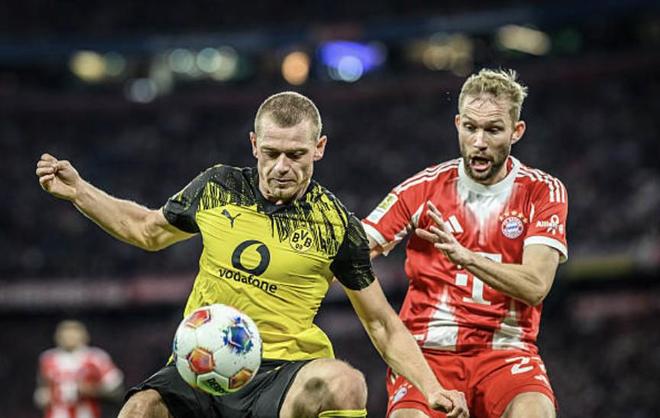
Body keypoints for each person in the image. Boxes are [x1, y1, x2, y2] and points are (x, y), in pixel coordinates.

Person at [36, 92, 468, 418]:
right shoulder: (217, 188)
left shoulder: (336, 226)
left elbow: (381, 323)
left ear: (319, 148)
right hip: (200, 365)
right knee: (140, 408)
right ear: (254, 144)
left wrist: (432, 388)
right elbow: (146, 230)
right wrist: (80, 192)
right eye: (271, 152)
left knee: (345, 382)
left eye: (296, 154)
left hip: (281, 372)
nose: (282, 166)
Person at [362, 69, 568, 418]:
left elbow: (535, 286)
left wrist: (466, 257)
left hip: (507, 352)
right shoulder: (422, 188)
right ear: (458, 124)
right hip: (427, 353)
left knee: (536, 412)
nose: (479, 141)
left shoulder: (542, 191)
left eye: (493, 130)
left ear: (516, 131)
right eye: (470, 127)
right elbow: (354, 249)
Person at [34, 320, 124, 418]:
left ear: (84, 336)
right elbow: (42, 387)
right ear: (57, 336)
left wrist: (90, 390)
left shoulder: (96, 357)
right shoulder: (47, 359)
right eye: (65, 333)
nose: (69, 337)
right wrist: (42, 396)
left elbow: (116, 390)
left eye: (73, 333)